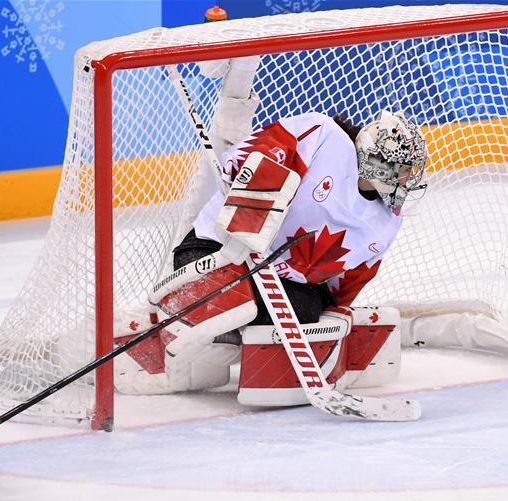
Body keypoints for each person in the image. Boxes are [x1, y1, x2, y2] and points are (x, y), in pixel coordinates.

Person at [113, 102, 428, 400]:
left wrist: (332, 321)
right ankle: (178, 320)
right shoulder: (324, 137)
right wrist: (252, 205)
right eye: (404, 170)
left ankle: (222, 337)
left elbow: (349, 282)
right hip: (221, 248)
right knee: (230, 299)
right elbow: (253, 153)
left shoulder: (385, 223)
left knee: (303, 312)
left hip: (281, 284)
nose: (408, 179)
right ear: (376, 161)